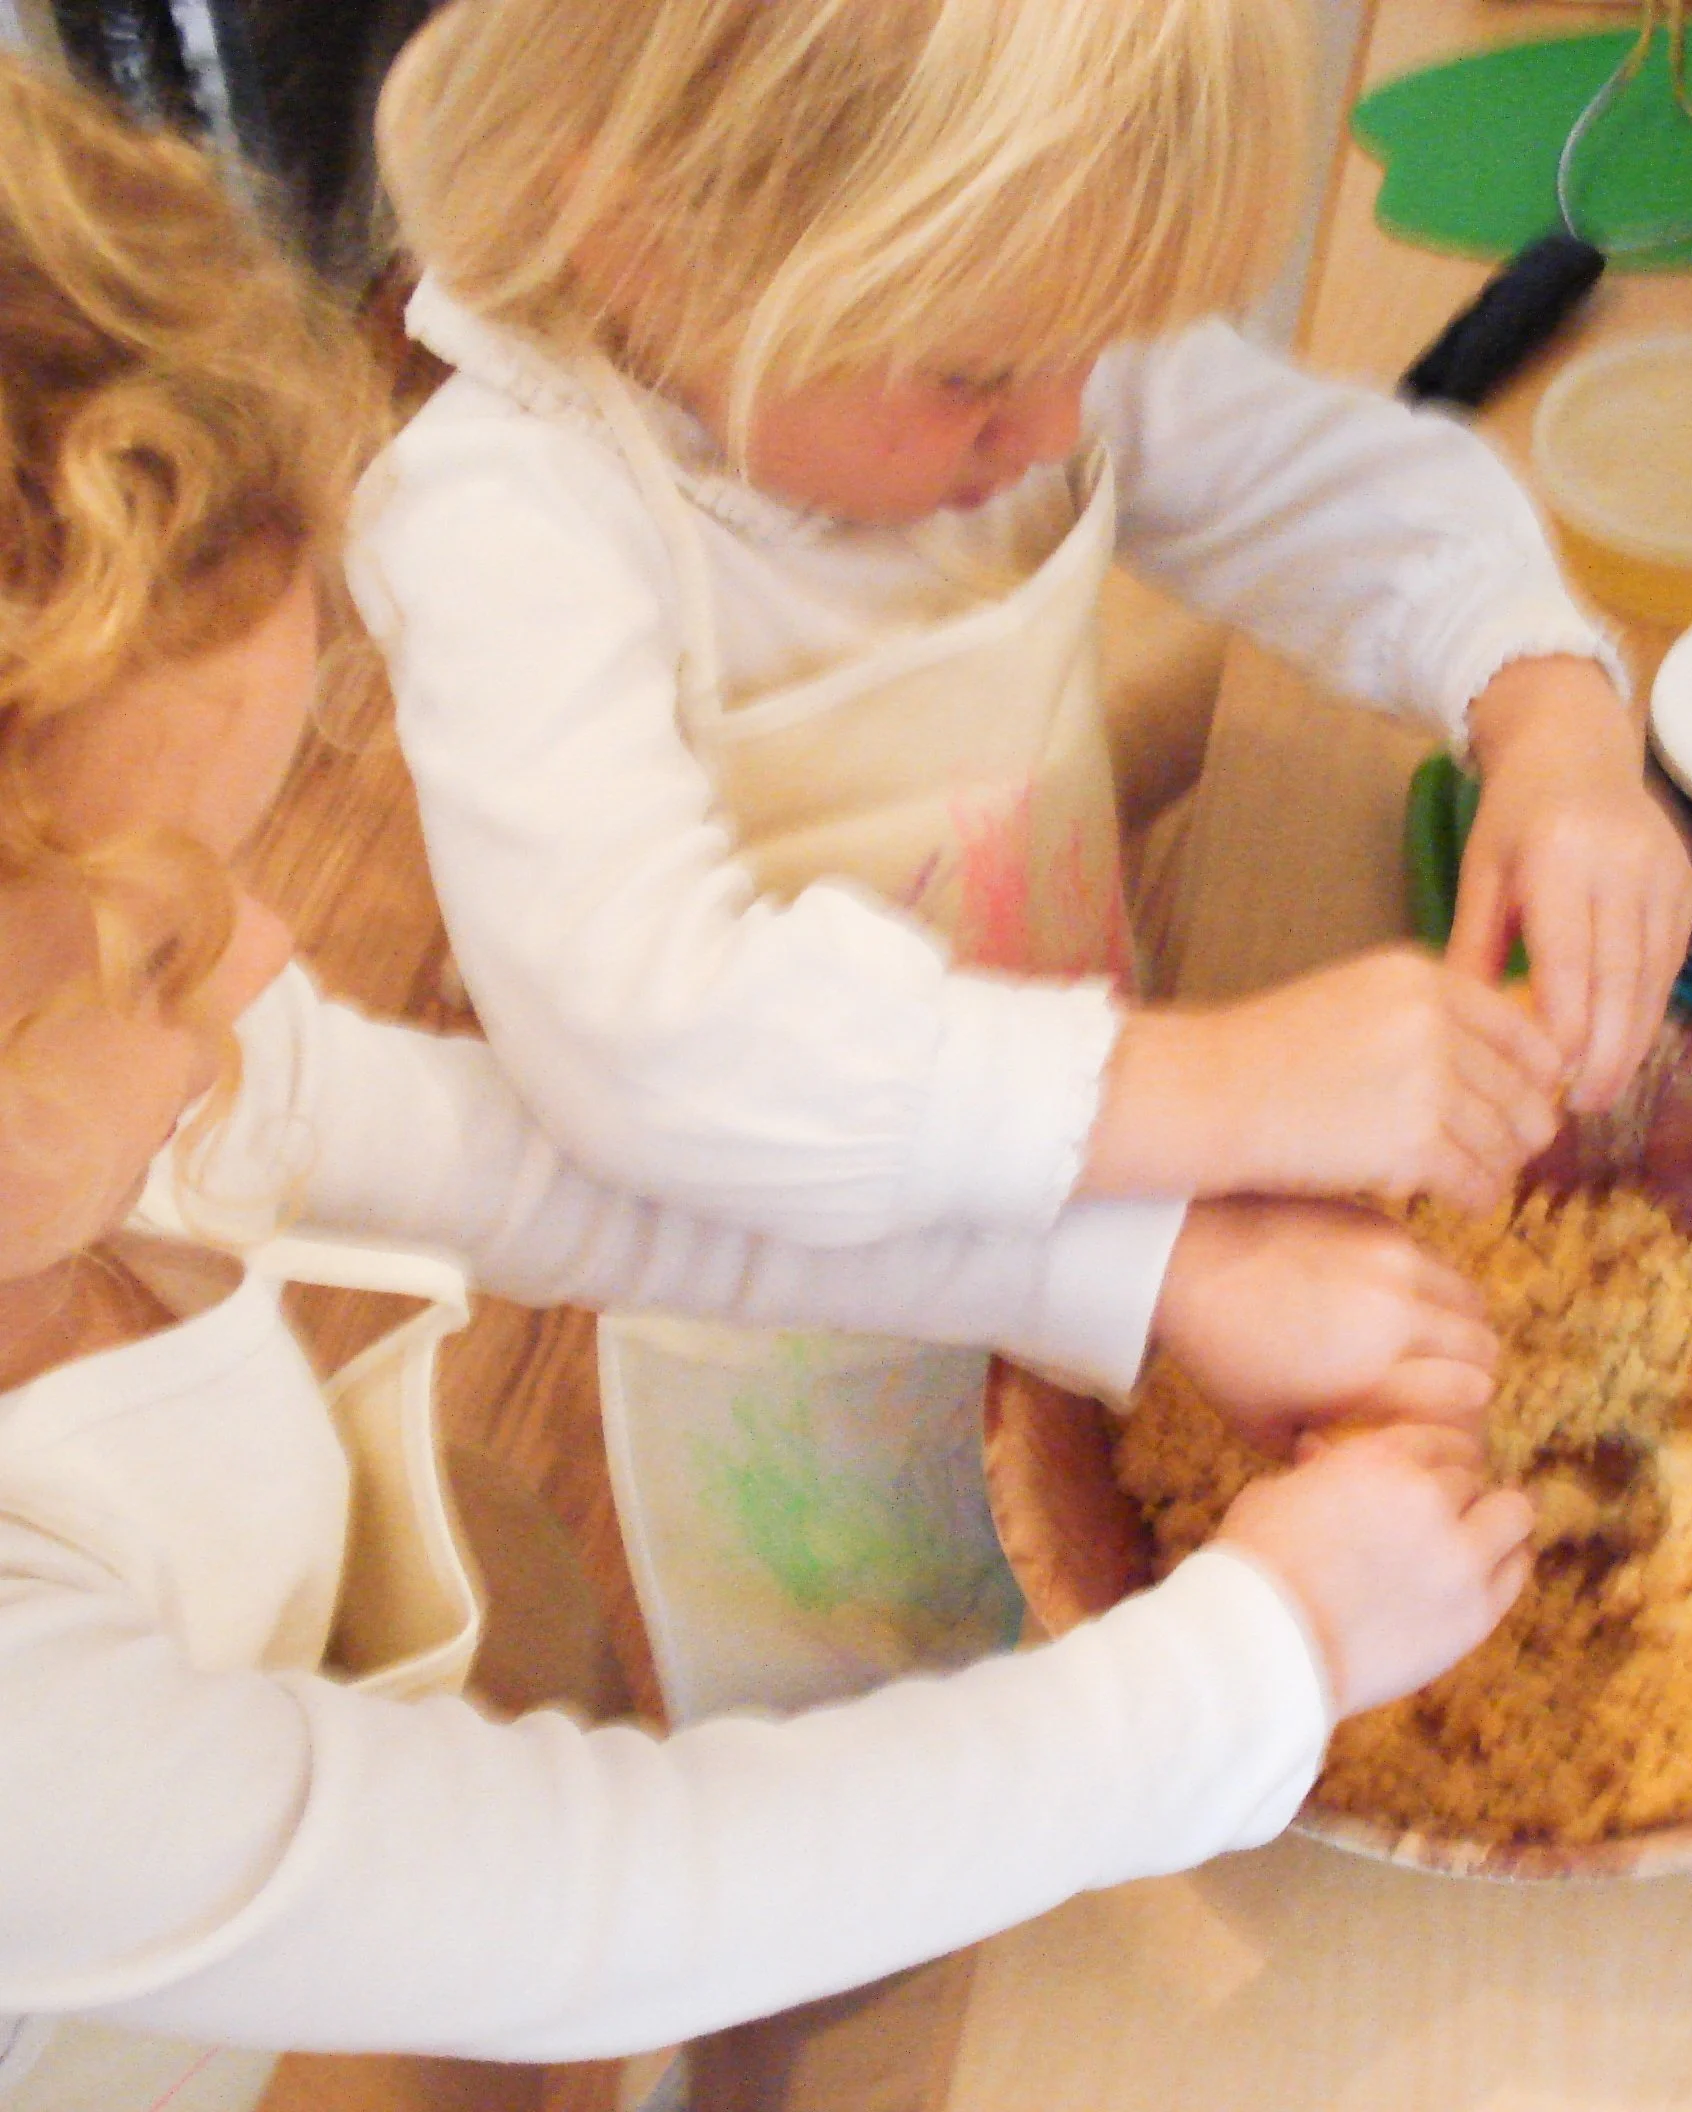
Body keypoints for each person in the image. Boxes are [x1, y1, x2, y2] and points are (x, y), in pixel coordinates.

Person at [0, 58, 1536, 2111]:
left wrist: (1130, 1277)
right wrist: (1258, 1660)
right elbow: (614, 1894)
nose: (273, 955)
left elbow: (544, 1176)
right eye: (166, 948)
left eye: (246, 874)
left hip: (298, 1765)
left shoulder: (136, 1096)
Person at [351, 0, 1692, 1716]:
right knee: (897, 1757)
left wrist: (1552, 715)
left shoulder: (983, 331)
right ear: (638, 233)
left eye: (1101, 348)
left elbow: (1340, 486)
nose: (1062, 426)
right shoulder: (510, 527)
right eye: (982, 377)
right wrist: (1223, 1085)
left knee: (1086, 1608)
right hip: (800, 1368)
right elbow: (655, 1046)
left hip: (1122, 1230)